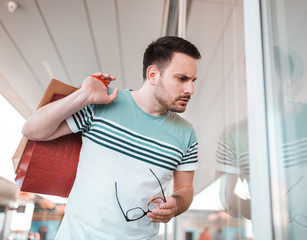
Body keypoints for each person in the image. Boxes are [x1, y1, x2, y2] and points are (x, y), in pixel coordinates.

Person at [22, 36, 201, 239]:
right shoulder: (102, 103)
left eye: (193, 80)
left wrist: (176, 204)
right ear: (153, 75)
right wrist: (83, 95)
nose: (190, 89)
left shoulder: (187, 134)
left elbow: (185, 188)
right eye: (182, 79)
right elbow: (32, 129)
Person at [216, 47, 307, 239]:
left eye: (262, 81)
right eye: (249, 83)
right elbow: (226, 197)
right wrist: (260, 209)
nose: (252, 90)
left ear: (289, 84)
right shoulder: (233, 136)